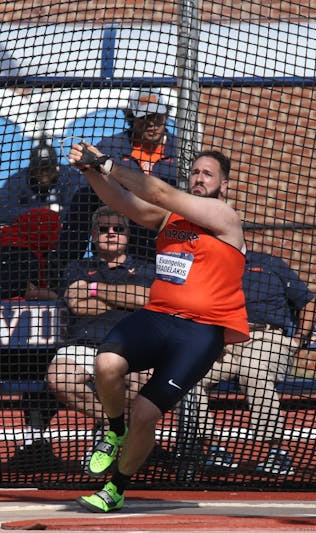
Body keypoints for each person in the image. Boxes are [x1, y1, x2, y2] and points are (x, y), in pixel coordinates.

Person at [67, 142, 249, 512]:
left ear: (224, 185)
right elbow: (122, 202)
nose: (199, 178)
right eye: (195, 172)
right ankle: (115, 429)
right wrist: (90, 172)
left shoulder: (224, 216)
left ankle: (116, 488)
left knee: (147, 414)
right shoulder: (170, 220)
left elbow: (160, 190)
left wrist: (106, 163)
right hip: (157, 318)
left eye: (207, 174)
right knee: (106, 365)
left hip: (200, 332)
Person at [45, 206, 155, 472]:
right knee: (58, 377)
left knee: (141, 383)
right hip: (85, 343)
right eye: (103, 229)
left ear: (128, 234)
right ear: (93, 235)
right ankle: (115, 427)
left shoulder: (146, 269)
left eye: (118, 229)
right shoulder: (77, 267)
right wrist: (124, 301)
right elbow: (77, 305)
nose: (111, 234)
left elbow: (148, 300)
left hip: (132, 344)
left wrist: (94, 290)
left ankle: (110, 439)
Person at [0, 206, 63, 471]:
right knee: (59, 366)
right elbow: (24, 298)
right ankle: (34, 439)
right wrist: (51, 296)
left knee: (52, 363)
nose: (57, 236)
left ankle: (34, 439)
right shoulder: (20, 254)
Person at [196, 249, 316, 476]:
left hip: (268, 338)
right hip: (224, 341)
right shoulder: (208, 267)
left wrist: (299, 339)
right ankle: (213, 448)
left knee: (253, 369)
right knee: (184, 376)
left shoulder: (269, 263)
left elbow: (308, 302)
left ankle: (277, 452)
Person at [56, 89, 178, 272]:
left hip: (167, 240)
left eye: (158, 117)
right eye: (144, 118)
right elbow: (85, 197)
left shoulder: (181, 151)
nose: (152, 124)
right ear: (131, 118)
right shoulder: (110, 147)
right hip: (121, 245)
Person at [0, 137, 83, 223]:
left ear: (56, 168)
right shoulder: (18, 180)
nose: (44, 173)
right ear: (31, 168)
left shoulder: (71, 177)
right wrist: (46, 211)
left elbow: (80, 212)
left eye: (48, 168)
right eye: (39, 168)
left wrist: (30, 213)